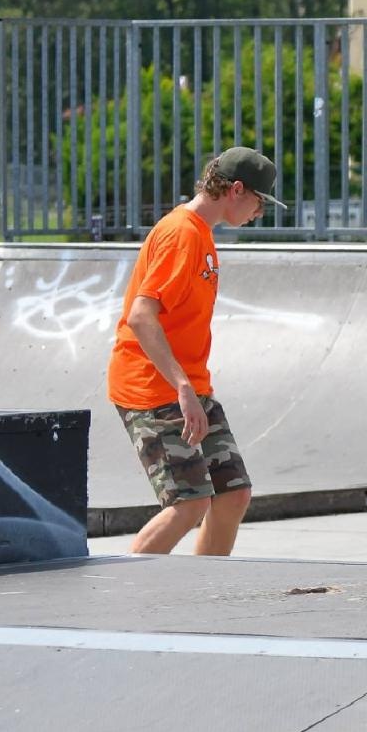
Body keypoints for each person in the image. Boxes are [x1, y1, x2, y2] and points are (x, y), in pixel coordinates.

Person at [107, 146, 286, 555]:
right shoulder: (181, 234)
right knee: (189, 504)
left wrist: (191, 388)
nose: (260, 213)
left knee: (232, 495)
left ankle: (203, 591)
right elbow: (140, 315)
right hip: (153, 390)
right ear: (236, 190)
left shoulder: (202, 234)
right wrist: (183, 387)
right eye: (259, 202)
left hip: (189, 388)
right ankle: (127, 597)